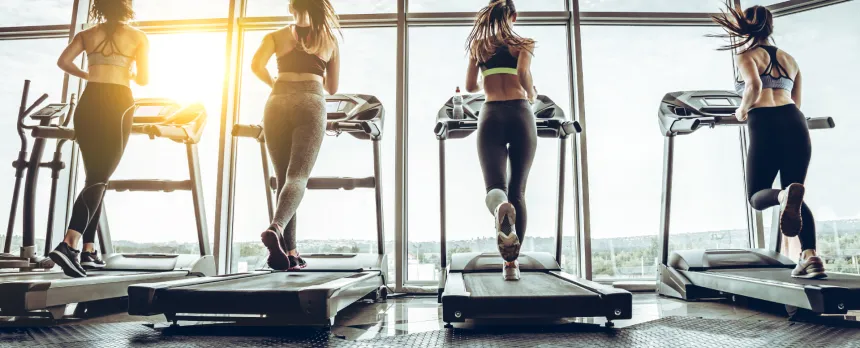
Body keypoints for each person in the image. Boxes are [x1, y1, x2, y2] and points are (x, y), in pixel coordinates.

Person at [712, 2, 824, 279]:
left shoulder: (746, 56)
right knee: (795, 191)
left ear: (744, 27)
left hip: (765, 122)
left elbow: (754, 86)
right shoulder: (790, 59)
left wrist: (742, 109)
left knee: (757, 197)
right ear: (770, 27)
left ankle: (784, 196)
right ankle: (810, 256)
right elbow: (797, 102)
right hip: (796, 123)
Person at [50, 0, 149, 278]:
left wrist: (89, 73)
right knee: (99, 178)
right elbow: (144, 78)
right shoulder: (138, 37)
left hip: (89, 100)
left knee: (94, 177)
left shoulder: (86, 34)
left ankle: (88, 251)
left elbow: (63, 62)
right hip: (119, 103)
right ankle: (70, 243)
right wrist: (126, 69)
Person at [250, 0, 341, 271]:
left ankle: (290, 253)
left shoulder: (275, 36)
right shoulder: (329, 40)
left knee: (283, 182)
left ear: (291, 8)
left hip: (276, 102)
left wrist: (277, 83)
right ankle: (275, 229)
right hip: (311, 100)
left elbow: (256, 66)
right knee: (297, 178)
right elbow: (333, 88)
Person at [464, 0, 536, 281]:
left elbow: (470, 87)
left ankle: (499, 210)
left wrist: (489, 77)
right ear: (514, 16)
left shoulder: (479, 46)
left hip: (491, 114)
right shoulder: (524, 43)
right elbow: (522, 74)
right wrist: (531, 94)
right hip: (520, 113)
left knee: (497, 188)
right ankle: (511, 266)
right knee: (518, 191)